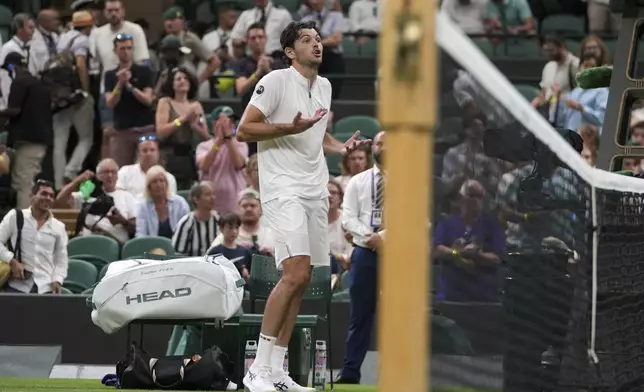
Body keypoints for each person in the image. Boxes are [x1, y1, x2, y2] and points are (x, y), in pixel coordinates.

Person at [236, 21, 369, 392]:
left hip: (315, 189)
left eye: (319, 39)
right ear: (291, 52)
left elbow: (315, 129)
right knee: (293, 274)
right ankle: (257, 369)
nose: (317, 45)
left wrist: (338, 146)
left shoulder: (324, 86)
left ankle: (278, 371)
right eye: (307, 40)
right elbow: (244, 130)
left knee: (305, 279)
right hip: (283, 188)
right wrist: (288, 129)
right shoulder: (276, 81)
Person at [335, 131, 384, 384]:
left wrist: (385, 237)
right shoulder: (358, 181)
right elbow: (348, 217)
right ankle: (350, 371)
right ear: (371, 148)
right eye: (379, 143)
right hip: (364, 252)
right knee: (359, 316)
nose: (384, 147)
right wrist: (370, 236)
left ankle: (401, 371)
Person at [1, 52, 53, 209]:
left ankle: (23, 225)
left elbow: (14, 110)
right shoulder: (40, 84)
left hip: (28, 142)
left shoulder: (19, 81)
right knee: (24, 181)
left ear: (12, 67)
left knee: (24, 184)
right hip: (40, 141)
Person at [0, 180, 68, 294]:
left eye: (51, 196)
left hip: (46, 288)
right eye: (44, 194)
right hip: (16, 286)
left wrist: (58, 279)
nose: (48, 198)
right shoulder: (15, 216)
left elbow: (61, 258)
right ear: (32, 196)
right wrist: (11, 261)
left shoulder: (59, 227)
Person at [135, 165, 190, 238]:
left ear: (166, 184)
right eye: (154, 182)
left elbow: (188, 229)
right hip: (152, 247)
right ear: (149, 187)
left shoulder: (180, 203)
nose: (159, 185)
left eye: (161, 181)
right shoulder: (143, 207)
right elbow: (141, 233)